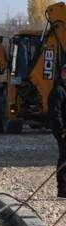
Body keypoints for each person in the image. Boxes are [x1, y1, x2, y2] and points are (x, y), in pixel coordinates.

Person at [48, 64, 66, 198]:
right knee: (64, 159)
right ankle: (63, 190)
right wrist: (62, 130)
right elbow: (55, 113)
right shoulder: (58, 91)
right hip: (63, 131)